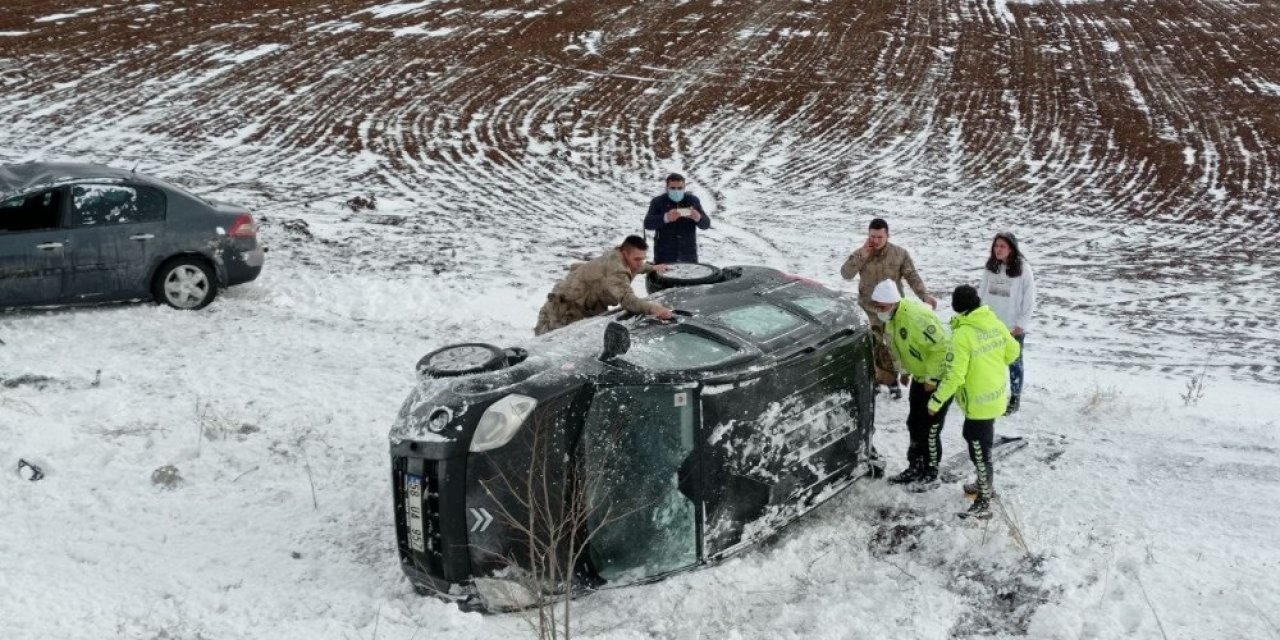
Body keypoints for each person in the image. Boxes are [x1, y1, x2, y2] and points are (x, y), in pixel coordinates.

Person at [927, 285, 1021, 519]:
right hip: (995, 397)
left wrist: (936, 401)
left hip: (978, 403)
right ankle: (983, 485)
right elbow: (1013, 352)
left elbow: (955, 376)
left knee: (979, 450)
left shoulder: (962, 335)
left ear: (958, 307)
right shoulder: (995, 323)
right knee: (979, 444)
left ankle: (984, 500)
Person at [840, 218, 938, 399]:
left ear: (887, 236)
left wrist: (924, 296)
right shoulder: (861, 253)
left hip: (893, 311)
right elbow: (846, 274)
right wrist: (862, 254)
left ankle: (892, 382)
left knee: (891, 347)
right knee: (871, 346)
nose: (875, 241)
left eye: (879, 237)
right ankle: (875, 380)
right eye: (872, 236)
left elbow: (912, 276)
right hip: (868, 310)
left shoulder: (899, 254)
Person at [869, 279, 952, 486]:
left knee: (930, 428)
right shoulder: (893, 318)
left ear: (893, 302)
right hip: (920, 377)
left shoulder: (917, 317)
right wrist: (905, 371)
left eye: (882, 306)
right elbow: (899, 347)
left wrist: (933, 378)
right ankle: (915, 465)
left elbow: (941, 347)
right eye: (876, 306)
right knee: (914, 423)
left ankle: (931, 470)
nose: (879, 310)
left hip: (938, 378)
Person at [534, 235, 674, 335]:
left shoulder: (619, 255)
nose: (639, 263)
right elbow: (627, 300)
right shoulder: (616, 269)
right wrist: (654, 309)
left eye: (643, 259)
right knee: (548, 355)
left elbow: (636, 267)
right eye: (637, 259)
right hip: (563, 313)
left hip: (581, 308)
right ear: (625, 253)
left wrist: (653, 268)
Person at [977, 232, 1036, 415]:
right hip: (990, 323)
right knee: (988, 361)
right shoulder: (990, 267)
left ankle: (1015, 397)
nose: (998, 250)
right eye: (996, 246)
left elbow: (1029, 298)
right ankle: (991, 394)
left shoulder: (1023, 269)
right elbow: (981, 292)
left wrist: (1021, 324)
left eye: (1002, 246)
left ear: (1011, 248)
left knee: (1014, 362)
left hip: (1012, 326)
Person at [643, 173, 711, 264]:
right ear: (667, 188)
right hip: (664, 256)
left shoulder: (692, 201)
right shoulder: (658, 202)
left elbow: (706, 224)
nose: (676, 191)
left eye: (679, 188)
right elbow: (647, 223)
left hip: (688, 256)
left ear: (684, 188)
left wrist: (698, 217)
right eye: (673, 188)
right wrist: (665, 217)